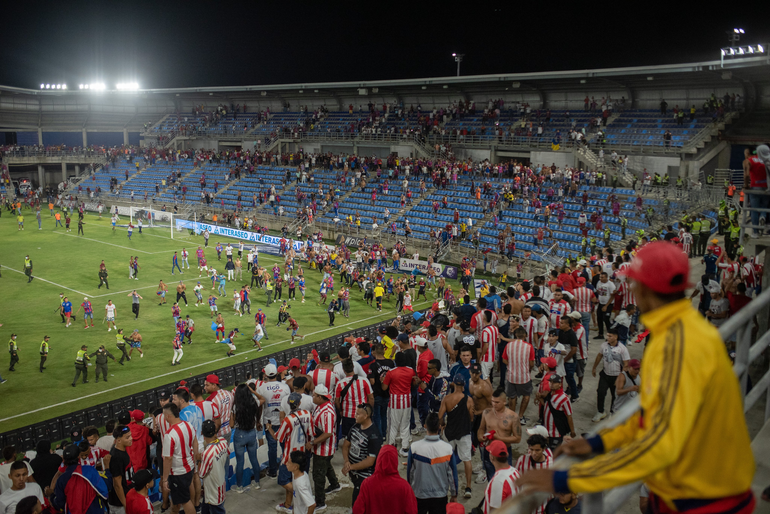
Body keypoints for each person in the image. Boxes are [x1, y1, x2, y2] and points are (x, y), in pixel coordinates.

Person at [518, 240, 757, 514]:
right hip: (688, 489)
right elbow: (652, 413)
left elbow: (660, 444)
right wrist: (598, 442)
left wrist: (568, 479)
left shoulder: (678, 345)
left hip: (707, 499)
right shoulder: (676, 332)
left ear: (644, 288)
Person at [407, 412, 457, 513]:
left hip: (419, 495)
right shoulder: (447, 449)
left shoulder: (414, 448)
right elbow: (452, 474)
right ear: (439, 427)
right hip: (440, 496)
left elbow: (410, 473)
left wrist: (410, 491)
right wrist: (454, 493)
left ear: (425, 426)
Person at [274, 393, 313, 513]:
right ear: (299, 403)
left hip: (290, 455)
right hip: (303, 453)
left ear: (288, 404)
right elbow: (311, 433)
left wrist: (269, 428)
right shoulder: (307, 414)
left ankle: (303, 496)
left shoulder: (288, 419)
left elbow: (278, 437)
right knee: (296, 477)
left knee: (283, 480)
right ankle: (287, 504)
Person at [352, 444, 417, 514]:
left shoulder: (367, 484)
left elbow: (357, 510)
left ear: (379, 460)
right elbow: (412, 511)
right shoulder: (404, 487)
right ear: (395, 461)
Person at [439, 374, 474, 498]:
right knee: (467, 460)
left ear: (453, 384)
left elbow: (440, 417)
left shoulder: (447, 399)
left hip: (450, 433)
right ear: (464, 385)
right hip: (464, 433)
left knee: (445, 459)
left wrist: (443, 425)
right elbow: (471, 418)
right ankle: (468, 488)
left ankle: (444, 484)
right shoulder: (469, 400)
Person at [161, 402, 200, 514]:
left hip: (178, 472)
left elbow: (168, 458)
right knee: (182, 496)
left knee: (185, 500)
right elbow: (195, 443)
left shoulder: (169, 434)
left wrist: (165, 479)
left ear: (168, 416)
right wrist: (195, 460)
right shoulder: (188, 425)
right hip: (189, 467)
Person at [308, 385, 342, 511]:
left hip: (323, 448)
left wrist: (312, 443)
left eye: (314, 395)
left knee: (318, 475)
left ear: (320, 397)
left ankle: (320, 502)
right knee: (327, 467)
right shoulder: (320, 406)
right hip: (322, 447)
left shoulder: (327, 413)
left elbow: (327, 433)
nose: (312, 397)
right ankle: (335, 484)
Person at [478, 388, 521, 484]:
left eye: (497, 402)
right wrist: (480, 436)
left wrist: (499, 438)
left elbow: (517, 438)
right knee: (491, 478)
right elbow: (481, 429)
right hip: (489, 450)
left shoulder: (513, 416)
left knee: (505, 479)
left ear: (504, 402)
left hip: (503, 452)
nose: (494, 404)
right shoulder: (486, 413)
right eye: (492, 401)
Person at [342, 403, 382, 507]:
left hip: (364, 477)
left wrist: (351, 467)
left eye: (358, 414)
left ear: (366, 416)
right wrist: (346, 461)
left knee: (358, 504)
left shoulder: (374, 436)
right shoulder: (355, 426)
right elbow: (345, 445)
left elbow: (370, 461)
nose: (355, 416)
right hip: (354, 473)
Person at [52, 444, 109, 514]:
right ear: (79, 456)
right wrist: (107, 469)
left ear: (64, 459)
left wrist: (51, 496)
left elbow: (60, 504)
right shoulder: (90, 470)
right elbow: (105, 491)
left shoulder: (61, 480)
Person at [256, 364, 290, 479]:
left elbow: (259, 406)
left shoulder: (261, 388)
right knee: (284, 446)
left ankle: (273, 471)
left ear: (265, 375)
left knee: (272, 448)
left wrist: (258, 421)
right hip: (283, 420)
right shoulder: (285, 387)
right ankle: (287, 467)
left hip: (268, 422)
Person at [590, 327, 629, 422]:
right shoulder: (604, 345)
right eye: (607, 335)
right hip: (605, 374)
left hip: (617, 376)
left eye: (610, 336)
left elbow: (626, 364)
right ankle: (600, 411)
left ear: (616, 337)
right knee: (600, 392)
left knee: (615, 395)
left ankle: (613, 412)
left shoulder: (622, 348)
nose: (608, 337)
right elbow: (599, 355)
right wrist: (594, 367)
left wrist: (621, 377)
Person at [229, 384, 261, 493]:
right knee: (254, 459)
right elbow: (263, 399)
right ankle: (257, 483)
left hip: (240, 434)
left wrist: (231, 415)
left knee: (240, 462)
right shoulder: (254, 402)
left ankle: (239, 487)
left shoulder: (235, 406)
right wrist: (253, 391)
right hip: (251, 433)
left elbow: (231, 425)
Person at [382, 352, 414, 456]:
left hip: (395, 402)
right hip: (407, 400)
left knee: (393, 425)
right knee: (405, 424)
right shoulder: (411, 370)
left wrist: (382, 380)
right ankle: (405, 448)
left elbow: (384, 387)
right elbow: (414, 382)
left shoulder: (391, 372)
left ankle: (391, 446)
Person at [502, 326, 535, 424]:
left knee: (512, 397)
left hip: (511, 376)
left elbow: (504, 360)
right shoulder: (529, 347)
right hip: (524, 377)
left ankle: (512, 417)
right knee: (526, 395)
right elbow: (531, 363)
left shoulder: (509, 345)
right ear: (525, 335)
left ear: (515, 335)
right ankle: (520, 416)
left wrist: (512, 365)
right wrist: (528, 370)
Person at [515, 433, 553, 514]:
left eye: (537, 450)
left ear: (543, 449)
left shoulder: (551, 463)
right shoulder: (522, 460)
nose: (533, 453)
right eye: (531, 449)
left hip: (543, 507)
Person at [335, 360, 374, 439]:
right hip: (362, 414)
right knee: (362, 437)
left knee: (348, 438)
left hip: (347, 415)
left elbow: (337, 401)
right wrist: (369, 411)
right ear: (353, 367)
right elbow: (371, 398)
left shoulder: (340, 384)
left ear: (343, 370)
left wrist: (340, 411)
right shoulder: (364, 381)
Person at [198, 420, 229, 514]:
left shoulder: (207, 454)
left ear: (202, 433)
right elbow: (228, 453)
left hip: (213, 490)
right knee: (206, 509)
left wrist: (199, 459)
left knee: (217, 510)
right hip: (220, 484)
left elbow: (201, 474)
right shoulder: (223, 441)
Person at [483, 440, 521, 514]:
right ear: (507, 454)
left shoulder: (498, 481)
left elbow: (495, 511)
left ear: (491, 457)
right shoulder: (515, 471)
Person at [541, 375, 575, 449]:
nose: (551, 384)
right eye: (550, 382)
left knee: (553, 453)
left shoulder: (564, 399)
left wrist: (572, 431)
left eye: (554, 382)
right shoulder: (550, 394)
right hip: (545, 431)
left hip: (556, 433)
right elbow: (547, 407)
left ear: (560, 384)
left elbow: (569, 416)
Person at [109, 425, 135, 514]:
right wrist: (125, 504)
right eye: (127, 437)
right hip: (119, 503)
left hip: (126, 496)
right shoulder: (117, 457)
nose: (131, 438)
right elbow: (117, 484)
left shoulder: (120, 449)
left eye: (130, 435)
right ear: (119, 440)